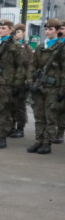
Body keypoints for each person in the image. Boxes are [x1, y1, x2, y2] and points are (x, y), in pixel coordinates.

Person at [0, 20, 28, 149]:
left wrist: (17, 84)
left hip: (6, 83)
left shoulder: (16, 46)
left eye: (3, 28)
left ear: (10, 30)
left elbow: (21, 67)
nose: (0, 30)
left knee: (4, 111)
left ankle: (2, 137)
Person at [28, 19, 64, 154]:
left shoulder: (61, 47)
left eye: (51, 29)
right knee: (39, 115)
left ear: (57, 30)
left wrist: (62, 89)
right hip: (40, 86)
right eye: (46, 29)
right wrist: (31, 82)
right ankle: (38, 140)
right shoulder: (40, 47)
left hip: (54, 87)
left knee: (50, 116)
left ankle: (47, 143)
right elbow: (33, 66)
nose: (48, 32)